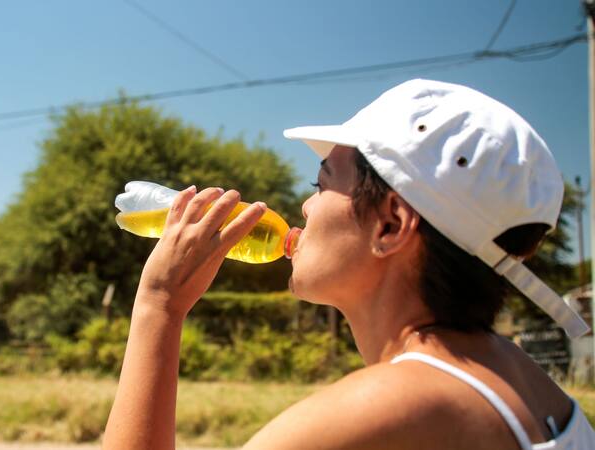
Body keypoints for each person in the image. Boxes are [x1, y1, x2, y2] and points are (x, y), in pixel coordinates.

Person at [102, 79, 595, 449]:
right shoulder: (527, 381)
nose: (306, 208)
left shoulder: (381, 412)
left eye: (321, 184)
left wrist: (159, 306)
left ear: (391, 225)